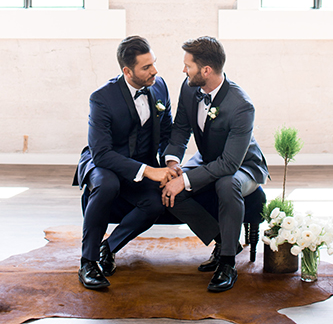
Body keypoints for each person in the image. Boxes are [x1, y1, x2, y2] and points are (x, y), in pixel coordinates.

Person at [162, 36, 268, 293]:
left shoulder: (241, 106)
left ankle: (228, 263)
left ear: (206, 70)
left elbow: (230, 164)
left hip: (244, 166)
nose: (183, 70)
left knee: (226, 184)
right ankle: (223, 240)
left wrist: (185, 180)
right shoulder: (189, 88)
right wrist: (173, 162)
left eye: (188, 65)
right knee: (167, 188)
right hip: (209, 158)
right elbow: (181, 128)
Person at [75, 35, 175, 290]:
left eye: (154, 63)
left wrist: (169, 164)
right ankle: (87, 262)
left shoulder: (159, 86)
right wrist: (148, 170)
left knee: (154, 204)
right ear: (127, 71)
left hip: (140, 164)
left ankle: (107, 248)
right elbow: (102, 154)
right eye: (146, 67)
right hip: (104, 163)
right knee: (107, 186)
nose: (154, 71)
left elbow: (166, 133)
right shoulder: (101, 98)